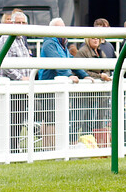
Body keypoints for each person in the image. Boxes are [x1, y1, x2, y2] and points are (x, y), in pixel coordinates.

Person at [38, 18, 89, 150]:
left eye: (64, 27)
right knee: (51, 117)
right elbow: (58, 62)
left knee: (58, 115)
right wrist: (69, 75)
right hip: (49, 85)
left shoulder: (62, 44)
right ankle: (49, 149)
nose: (64, 30)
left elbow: (71, 61)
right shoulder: (49, 43)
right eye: (60, 27)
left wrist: (85, 75)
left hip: (58, 85)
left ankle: (58, 147)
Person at [0, 10, 32, 150]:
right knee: (10, 119)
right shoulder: (6, 38)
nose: (21, 25)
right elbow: (4, 64)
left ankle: (14, 148)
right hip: (10, 87)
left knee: (18, 119)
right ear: (11, 23)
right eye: (19, 23)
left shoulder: (21, 39)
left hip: (21, 87)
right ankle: (8, 149)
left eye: (24, 23)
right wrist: (21, 78)